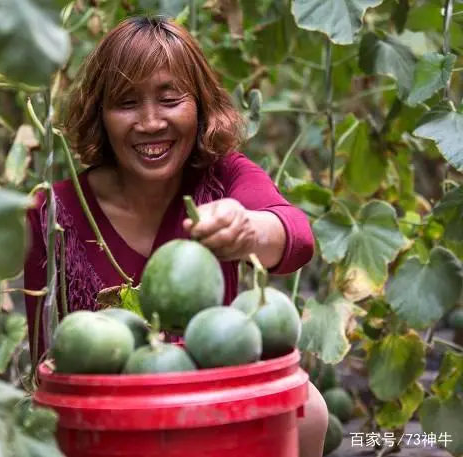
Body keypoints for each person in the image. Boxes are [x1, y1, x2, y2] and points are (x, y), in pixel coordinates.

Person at [24, 15, 328, 457]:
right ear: (100, 115)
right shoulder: (53, 214)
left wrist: (247, 229)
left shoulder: (224, 178)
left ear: (200, 105)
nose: (150, 122)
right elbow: (47, 361)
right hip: (108, 425)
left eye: (169, 99)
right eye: (126, 103)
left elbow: (295, 236)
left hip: (212, 407)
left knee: (311, 409)